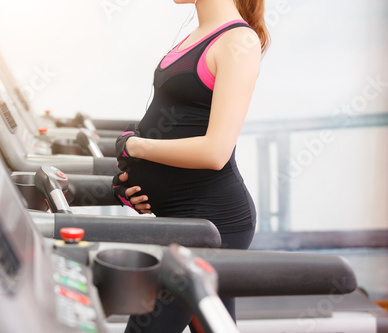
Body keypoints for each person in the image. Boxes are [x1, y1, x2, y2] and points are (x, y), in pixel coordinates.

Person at [112, 0, 269, 331]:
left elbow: (216, 151)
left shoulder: (239, 41)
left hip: (213, 223)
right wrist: (135, 185)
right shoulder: (196, 35)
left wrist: (135, 146)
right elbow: (176, 122)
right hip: (180, 218)